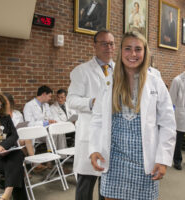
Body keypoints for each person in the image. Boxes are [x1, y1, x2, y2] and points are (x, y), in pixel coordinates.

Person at [89, 31, 176, 200]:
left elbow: (168, 123)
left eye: (138, 49)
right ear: (120, 51)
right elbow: (97, 119)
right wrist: (94, 149)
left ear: (145, 52)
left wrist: (163, 159)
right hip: (114, 161)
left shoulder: (155, 83)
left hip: (145, 163)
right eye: (128, 48)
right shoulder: (109, 83)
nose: (133, 54)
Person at [67, 29, 115, 200]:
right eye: (104, 43)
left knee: (108, 185)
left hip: (112, 135)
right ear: (94, 45)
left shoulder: (121, 71)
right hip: (89, 134)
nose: (108, 47)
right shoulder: (81, 71)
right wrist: (92, 103)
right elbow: (71, 100)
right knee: (86, 184)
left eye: (111, 43)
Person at [23, 85, 56, 153]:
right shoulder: (29, 105)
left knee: (58, 133)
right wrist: (45, 123)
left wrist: (51, 121)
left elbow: (50, 117)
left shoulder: (46, 105)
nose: (50, 98)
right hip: (35, 133)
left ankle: (59, 156)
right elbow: (29, 124)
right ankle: (51, 155)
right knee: (52, 135)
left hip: (46, 130)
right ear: (44, 94)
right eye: (49, 96)